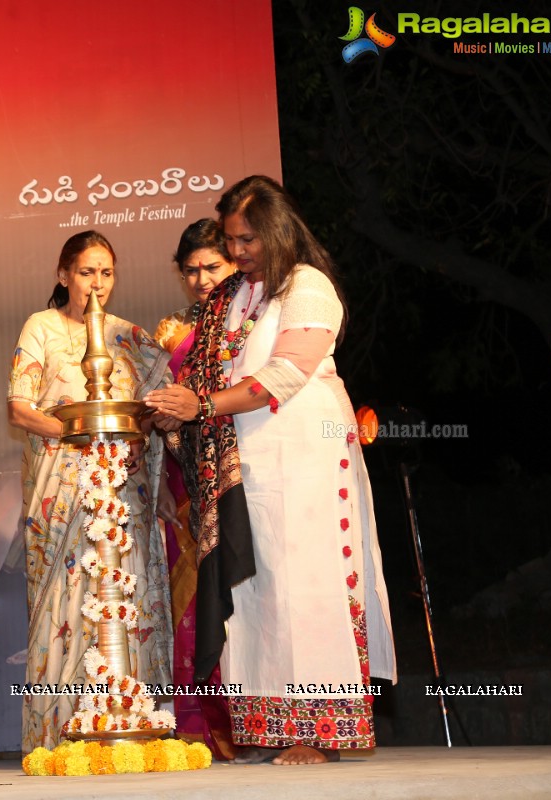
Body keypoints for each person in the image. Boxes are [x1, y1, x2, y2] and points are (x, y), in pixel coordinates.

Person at [145, 176, 396, 766]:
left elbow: (284, 375)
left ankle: (317, 731)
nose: (238, 252)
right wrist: (176, 409)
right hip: (248, 464)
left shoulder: (309, 287)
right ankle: (274, 727)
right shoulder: (235, 294)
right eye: (233, 240)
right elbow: (210, 370)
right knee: (259, 589)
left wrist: (201, 406)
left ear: (280, 230)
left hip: (307, 455)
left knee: (305, 587)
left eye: (248, 239)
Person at [7, 230, 172, 753]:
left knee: (126, 592)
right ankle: (61, 730)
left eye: (106, 273)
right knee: (68, 596)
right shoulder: (43, 327)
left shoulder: (130, 337)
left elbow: (157, 407)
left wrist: (128, 433)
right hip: (62, 485)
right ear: (64, 276)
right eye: (85, 273)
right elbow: (20, 408)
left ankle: (132, 721)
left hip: (122, 485)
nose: (96, 284)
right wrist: (82, 434)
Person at [152, 219, 237, 760]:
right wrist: (161, 472)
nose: (202, 279)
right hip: (187, 481)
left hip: (243, 474)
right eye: (191, 271)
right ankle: (199, 728)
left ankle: (254, 720)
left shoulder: (248, 324)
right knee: (192, 607)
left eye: (212, 267)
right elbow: (160, 407)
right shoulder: (168, 334)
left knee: (243, 597)